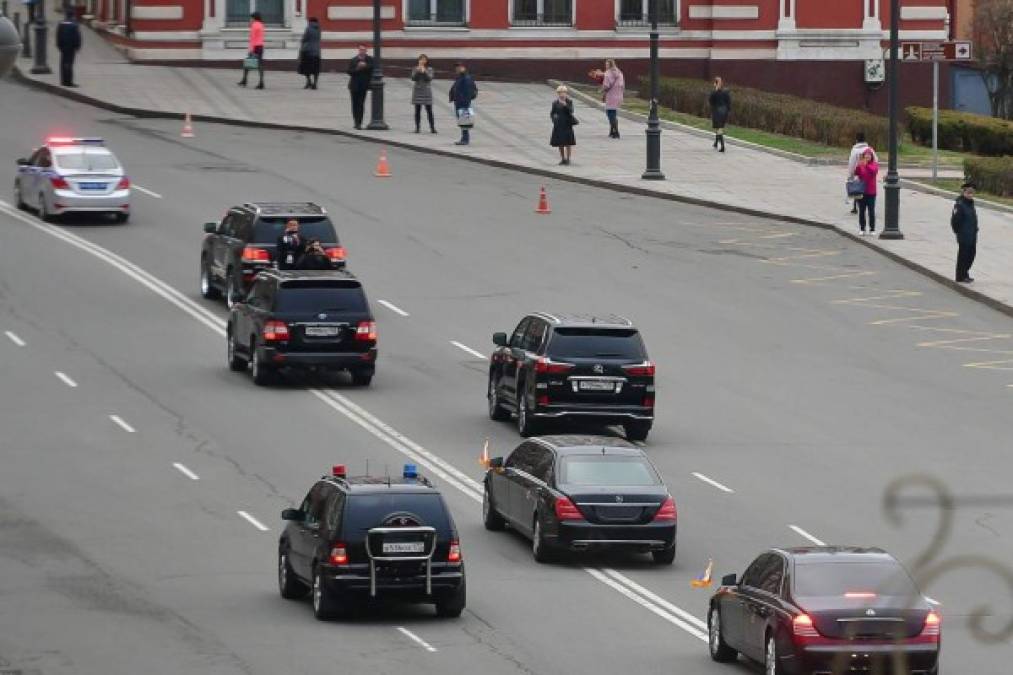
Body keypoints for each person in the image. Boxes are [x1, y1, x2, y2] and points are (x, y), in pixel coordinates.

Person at [951, 182, 978, 283]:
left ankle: (965, 273)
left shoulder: (970, 204)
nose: (970, 195)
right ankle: (960, 276)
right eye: (968, 192)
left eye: (972, 193)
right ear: (964, 192)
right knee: (963, 256)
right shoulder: (960, 205)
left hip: (972, 235)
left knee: (971, 255)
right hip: (964, 235)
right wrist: (959, 233)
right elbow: (954, 222)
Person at [847, 132, 878, 214]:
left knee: (857, 189)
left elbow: (852, 163)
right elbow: (876, 160)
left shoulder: (855, 150)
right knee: (866, 189)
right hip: (869, 173)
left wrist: (850, 175)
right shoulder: (870, 149)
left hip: (859, 172)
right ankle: (865, 206)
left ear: (856, 140)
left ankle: (857, 207)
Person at [449, 62, 477, 146]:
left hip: (463, 103)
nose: (457, 69)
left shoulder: (466, 78)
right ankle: (463, 138)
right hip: (459, 102)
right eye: (456, 67)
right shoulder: (460, 77)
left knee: (464, 121)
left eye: (459, 67)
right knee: (463, 121)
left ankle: (465, 139)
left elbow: (468, 92)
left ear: (464, 68)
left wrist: (464, 101)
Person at [346, 44, 373, 129]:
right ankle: (355, 121)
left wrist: (365, 66)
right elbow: (349, 71)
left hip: (363, 86)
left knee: (361, 104)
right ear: (358, 50)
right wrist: (357, 68)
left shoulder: (369, 59)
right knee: (354, 104)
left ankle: (359, 123)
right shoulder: (354, 60)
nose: (362, 51)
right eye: (361, 50)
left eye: (364, 50)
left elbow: (372, 67)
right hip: (354, 85)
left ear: (366, 51)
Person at [853, 148, 879, 236]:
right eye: (866, 155)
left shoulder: (874, 164)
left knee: (871, 211)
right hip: (862, 191)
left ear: (871, 156)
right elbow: (856, 173)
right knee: (862, 211)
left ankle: (872, 229)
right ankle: (862, 228)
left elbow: (873, 172)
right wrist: (858, 166)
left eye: (869, 155)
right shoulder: (861, 165)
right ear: (863, 156)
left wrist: (866, 164)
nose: (867, 156)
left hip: (871, 192)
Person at [550, 85, 577, 165]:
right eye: (560, 93)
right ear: (558, 94)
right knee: (560, 143)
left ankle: (568, 159)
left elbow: (571, 111)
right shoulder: (555, 103)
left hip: (567, 124)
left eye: (564, 92)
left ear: (566, 93)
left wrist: (565, 105)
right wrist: (554, 118)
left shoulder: (569, 101)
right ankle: (563, 158)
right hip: (558, 124)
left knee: (568, 143)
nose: (562, 94)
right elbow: (552, 113)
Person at [55, 10, 82, 88]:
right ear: (73, 15)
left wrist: (59, 46)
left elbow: (58, 36)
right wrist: (77, 47)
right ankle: (69, 82)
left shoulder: (61, 24)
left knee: (63, 63)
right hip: (71, 48)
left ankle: (63, 81)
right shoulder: (74, 25)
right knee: (69, 64)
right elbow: (77, 37)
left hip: (63, 47)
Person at [238, 12, 265, 89]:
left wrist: (251, 50)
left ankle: (244, 80)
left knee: (247, 63)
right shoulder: (261, 24)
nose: (250, 19)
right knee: (260, 65)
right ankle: (261, 82)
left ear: (254, 18)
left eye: (251, 18)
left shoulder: (254, 25)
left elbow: (252, 38)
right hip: (261, 46)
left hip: (255, 47)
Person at [411, 54, 436, 134]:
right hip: (417, 91)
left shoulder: (430, 69)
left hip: (426, 91)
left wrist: (424, 71)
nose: (422, 61)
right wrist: (418, 71)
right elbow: (413, 78)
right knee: (417, 110)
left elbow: (429, 78)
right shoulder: (415, 68)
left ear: (426, 61)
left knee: (429, 110)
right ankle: (417, 127)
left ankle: (432, 128)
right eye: (421, 59)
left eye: (424, 59)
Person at [602, 59, 625, 139]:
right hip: (618, 95)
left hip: (610, 95)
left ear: (610, 65)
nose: (606, 66)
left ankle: (616, 132)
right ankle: (612, 131)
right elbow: (622, 85)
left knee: (610, 114)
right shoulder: (619, 72)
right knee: (613, 113)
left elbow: (606, 85)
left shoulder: (608, 74)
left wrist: (602, 90)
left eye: (607, 64)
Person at [708, 77, 731, 152]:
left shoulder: (714, 93)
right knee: (719, 128)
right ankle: (716, 143)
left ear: (715, 83)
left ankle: (722, 146)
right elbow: (729, 103)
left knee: (719, 129)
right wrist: (727, 111)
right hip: (724, 113)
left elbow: (711, 101)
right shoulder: (725, 92)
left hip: (717, 112)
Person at [298, 17, 321, 90]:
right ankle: (315, 84)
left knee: (306, 68)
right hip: (317, 51)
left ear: (310, 22)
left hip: (308, 51)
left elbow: (305, 39)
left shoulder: (308, 28)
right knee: (316, 69)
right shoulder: (319, 29)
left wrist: (302, 42)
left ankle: (308, 81)